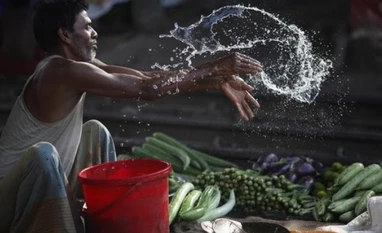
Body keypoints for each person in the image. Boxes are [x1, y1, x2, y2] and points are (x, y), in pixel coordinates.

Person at [0, 0, 263, 232]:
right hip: (8, 201)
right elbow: (145, 90)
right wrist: (214, 67)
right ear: (66, 34)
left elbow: (146, 78)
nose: (95, 33)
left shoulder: (81, 67)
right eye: (88, 27)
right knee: (43, 154)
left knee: (95, 130)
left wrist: (213, 79)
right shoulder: (60, 71)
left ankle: (102, 219)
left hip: (35, 189)